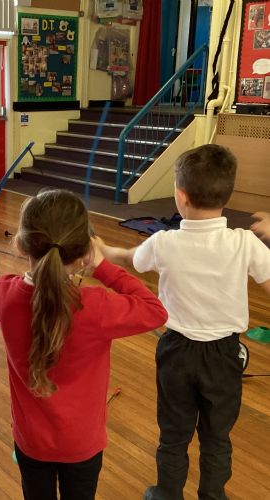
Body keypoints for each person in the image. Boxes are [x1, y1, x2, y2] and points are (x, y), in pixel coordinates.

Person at [99, 144, 270, 500]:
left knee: (174, 434)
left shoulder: (163, 242)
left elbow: (130, 258)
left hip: (176, 352)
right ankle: (213, 496)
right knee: (217, 437)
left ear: (181, 196)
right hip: (224, 356)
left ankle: (167, 493)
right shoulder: (245, 242)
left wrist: (103, 251)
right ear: (227, 194)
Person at [0, 189, 168, 500]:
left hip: (31, 443)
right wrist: (103, 267)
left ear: (22, 244)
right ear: (82, 253)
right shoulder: (96, 306)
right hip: (82, 446)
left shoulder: (4, 296)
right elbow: (155, 310)